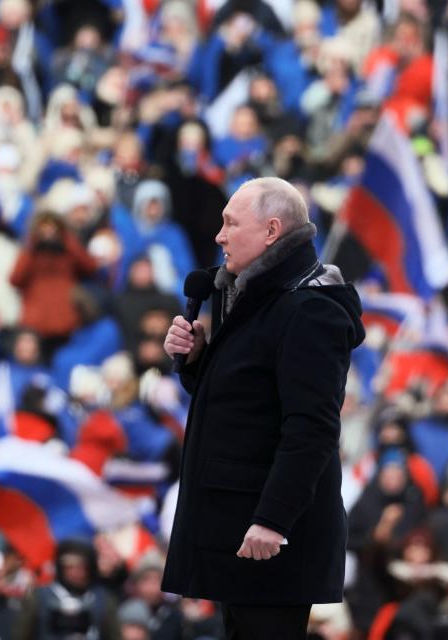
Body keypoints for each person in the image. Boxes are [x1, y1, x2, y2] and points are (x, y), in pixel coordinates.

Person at [161, 177, 365, 639]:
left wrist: (273, 519)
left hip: (273, 538)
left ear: (272, 230)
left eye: (230, 223)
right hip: (242, 531)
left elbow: (311, 428)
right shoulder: (256, 295)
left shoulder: (310, 308)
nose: (219, 236)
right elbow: (248, 408)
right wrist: (198, 362)